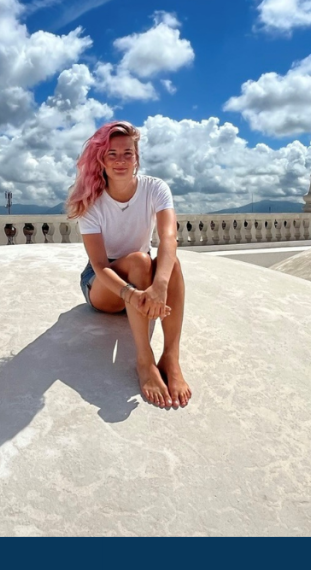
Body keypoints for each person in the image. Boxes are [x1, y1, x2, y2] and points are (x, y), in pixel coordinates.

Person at [67, 121, 191, 409]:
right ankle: (144, 361)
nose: (120, 160)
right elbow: (99, 265)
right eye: (112, 154)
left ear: (137, 158)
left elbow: (168, 237)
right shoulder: (91, 202)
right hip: (103, 284)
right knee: (139, 260)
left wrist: (159, 285)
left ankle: (170, 358)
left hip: (143, 277)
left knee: (170, 264)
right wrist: (131, 294)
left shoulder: (155, 188)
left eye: (127, 153)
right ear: (101, 160)